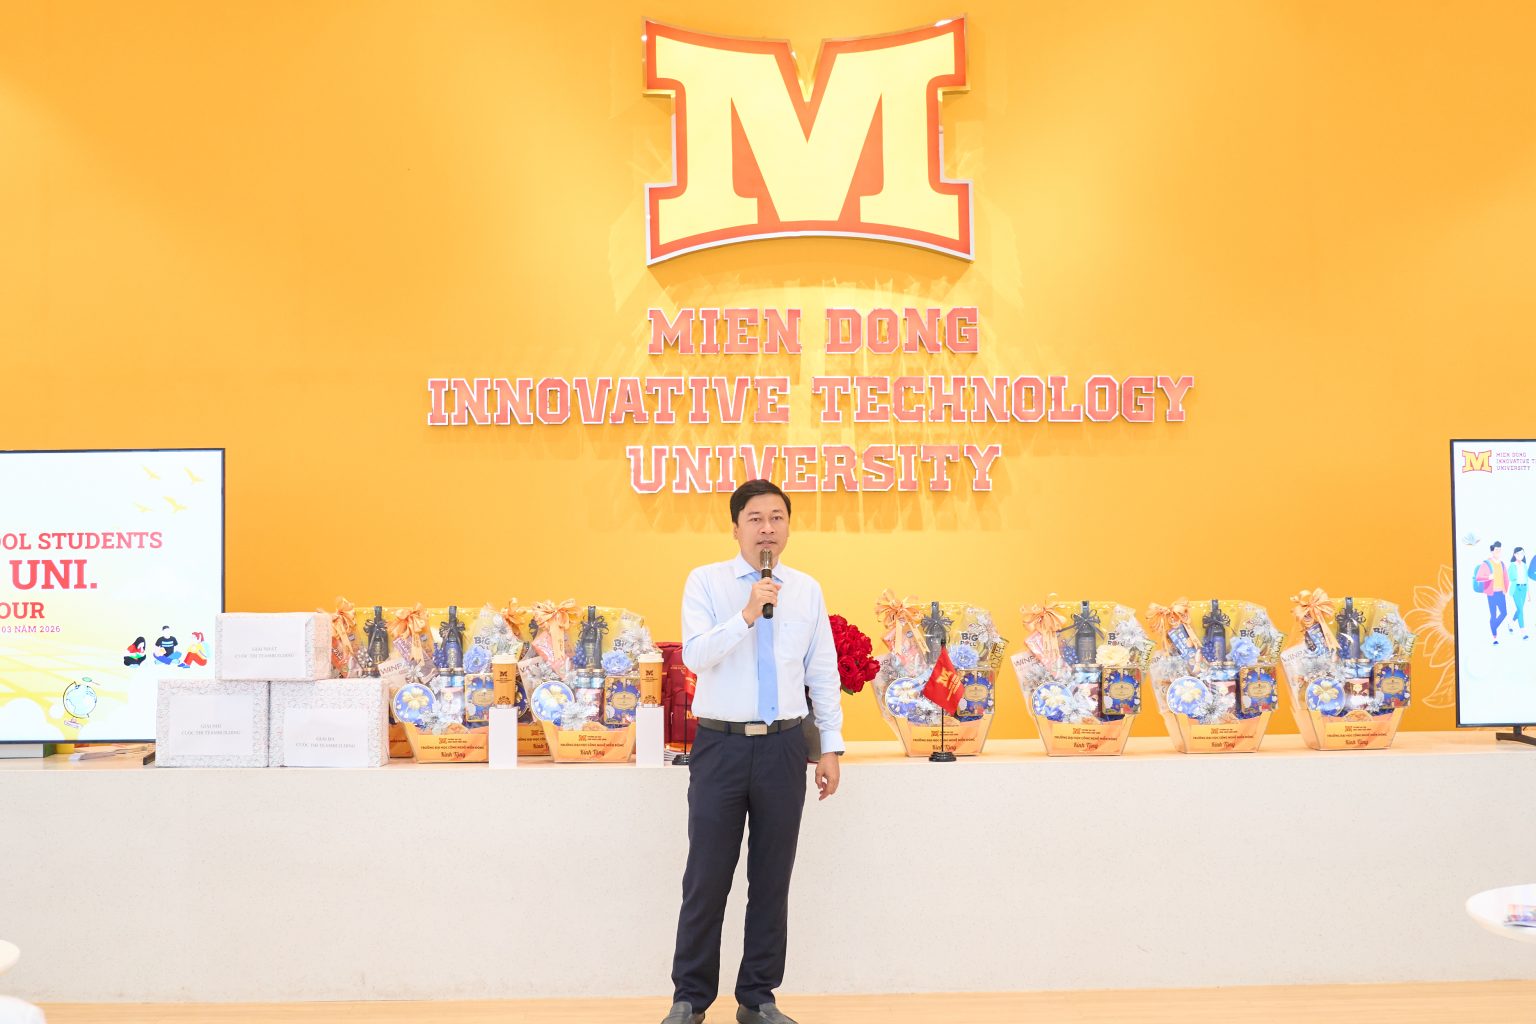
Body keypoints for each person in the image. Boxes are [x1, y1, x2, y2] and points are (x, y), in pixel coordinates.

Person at [663, 480, 844, 1024]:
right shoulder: (706, 582)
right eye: (756, 518)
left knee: (771, 878)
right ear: (736, 527)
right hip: (720, 746)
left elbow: (822, 672)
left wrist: (830, 747)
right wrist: (746, 614)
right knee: (707, 876)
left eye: (777, 518)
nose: (768, 528)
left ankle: (758, 997)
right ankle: (690, 998)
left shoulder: (806, 590)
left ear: (788, 526)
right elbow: (696, 656)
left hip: (784, 748)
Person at [1474, 542, 1510, 644]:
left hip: (1501, 593)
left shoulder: (1502, 564)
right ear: (1492, 551)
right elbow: (1478, 577)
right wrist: (1488, 577)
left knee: (1504, 613)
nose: (1498, 552)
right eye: (1496, 550)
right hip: (1491, 593)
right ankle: (1495, 637)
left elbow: (1506, 578)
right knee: (1493, 615)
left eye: (1500, 550)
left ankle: (1493, 627)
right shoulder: (1486, 563)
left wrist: (1505, 589)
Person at [1512, 547, 1530, 640]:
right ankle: (1523, 631)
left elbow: (1526, 580)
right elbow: (1509, 577)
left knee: (1520, 609)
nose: (1520, 555)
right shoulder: (1512, 565)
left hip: (1524, 589)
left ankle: (1511, 622)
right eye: (1518, 553)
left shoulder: (1525, 565)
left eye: (1522, 553)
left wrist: (1528, 593)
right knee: (1520, 610)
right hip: (1516, 589)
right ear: (1514, 554)